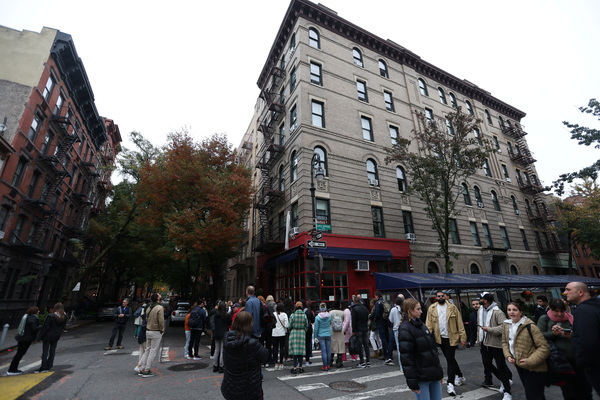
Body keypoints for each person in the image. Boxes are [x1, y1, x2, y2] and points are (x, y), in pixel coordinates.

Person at [537, 298, 592, 400]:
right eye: (556, 311)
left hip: (576, 358)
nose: (559, 314)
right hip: (560, 360)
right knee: (568, 390)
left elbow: (581, 334)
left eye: (562, 311)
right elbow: (539, 336)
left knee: (584, 387)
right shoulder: (545, 319)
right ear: (550, 309)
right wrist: (553, 334)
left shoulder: (571, 318)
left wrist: (571, 336)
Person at [502, 301, 549, 400]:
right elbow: (504, 342)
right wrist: (508, 356)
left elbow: (544, 347)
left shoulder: (530, 326)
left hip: (534, 367)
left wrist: (530, 361)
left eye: (515, 310)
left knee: (532, 395)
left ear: (521, 312)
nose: (511, 312)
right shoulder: (506, 325)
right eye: (509, 310)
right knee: (536, 394)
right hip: (519, 365)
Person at [399, 298, 444, 400]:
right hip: (421, 377)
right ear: (410, 310)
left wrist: (438, 373)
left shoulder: (422, 326)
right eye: (418, 309)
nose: (421, 311)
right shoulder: (405, 329)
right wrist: (412, 382)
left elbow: (432, 352)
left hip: (433, 375)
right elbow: (407, 359)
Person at [426, 290, 467, 396]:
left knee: (450, 360)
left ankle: (450, 384)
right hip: (440, 338)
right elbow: (429, 324)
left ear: (445, 297)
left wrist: (463, 337)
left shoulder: (452, 308)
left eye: (442, 296)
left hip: (452, 337)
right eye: (438, 296)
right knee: (450, 359)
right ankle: (460, 375)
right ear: (436, 297)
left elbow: (459, 323)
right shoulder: (432, 308)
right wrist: (426, 336)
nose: (440, 297)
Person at [221, 311, 269, 400]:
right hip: (248, 389)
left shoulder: (227, 338)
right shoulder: (252, 343)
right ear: (248, 325)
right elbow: (265, 356)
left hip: (230, 386)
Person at [564, 281, 600, 396]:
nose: (565, 293)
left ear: (580, 292)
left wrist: (584, 363)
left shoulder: (583, 311)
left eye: (568, 289)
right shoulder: (594, 306)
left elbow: (587, 341)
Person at [478, 293, 512, 400]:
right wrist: (479, 337)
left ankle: (507, 391)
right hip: (484, 342)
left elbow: (503, 327)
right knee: (487, 364)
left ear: (487, 301)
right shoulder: (481, 310)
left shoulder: (498, 312)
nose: (480, 300)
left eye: (482, 299)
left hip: (496, 344)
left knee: (501, 366)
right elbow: (479, 324)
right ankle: (503, 379)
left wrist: (489, 329)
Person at [7, 306, 41, 375]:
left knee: (19, 353)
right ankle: (12, 370)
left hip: (22, 338)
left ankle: (13, 369)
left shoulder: (27, 317)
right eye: (38, 311)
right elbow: (34, 329)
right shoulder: (33, 318)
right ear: (35, 312)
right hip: (26, 339)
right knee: (20, 354)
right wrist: (40, 326)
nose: (39, 312)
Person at [138, 293, 165, 378]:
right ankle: (146, 370)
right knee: (152, 351)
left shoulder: (149, 307)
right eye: (159, 296)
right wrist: (162, 329)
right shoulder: (159, 308)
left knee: (147, 350)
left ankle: (142, 368)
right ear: (157, 299)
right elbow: (161, 320)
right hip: (156, 331)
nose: (161, 297)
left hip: (148, 330)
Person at [36, 302, 67, 373]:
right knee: (52, 351)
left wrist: (39, 336)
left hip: (48, 336)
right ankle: (49, 366)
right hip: (56, 336)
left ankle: (43, 367)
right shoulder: (64, 316)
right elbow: (63, 326)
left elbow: (45, 328)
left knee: (45, 351)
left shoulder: (51, 316)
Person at [350, 294, 371, 368]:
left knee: (360, 345)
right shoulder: (365, 308)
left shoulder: (354, 309)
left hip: (358, 329)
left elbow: (354, 321)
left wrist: (353, 330)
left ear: (354, 302)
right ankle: (368, 361)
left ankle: (362, 361)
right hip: (365, 328)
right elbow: (367, 318)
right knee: (366, 345)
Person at [288, 301, 308, 374]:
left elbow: (289, 326)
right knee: (301, 351)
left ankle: (294, 367)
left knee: (295, 351)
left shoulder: (293, 315)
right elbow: (306, 325)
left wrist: (291, 330)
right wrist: (304, 330)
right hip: (302, 332)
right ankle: (301, 367)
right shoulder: (304, 315)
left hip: (294, 332)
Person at [212, 300, 232, 373]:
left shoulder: (216, 315)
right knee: (222, 350)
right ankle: (221, 366)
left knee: (217, 349)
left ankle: (215, 366)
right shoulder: (226, 315)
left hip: (217, 333)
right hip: (224, 333)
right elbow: (230, 322)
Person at [314, 302, 332, 371]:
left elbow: (316, 328)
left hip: (321, 334)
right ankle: (328, 364)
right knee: (329, 350)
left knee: (323, 351)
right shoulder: (329, 316)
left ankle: (325, 366)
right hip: (328, 333)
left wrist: (315, 336)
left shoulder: (317, 317)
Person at [374, 291, 391, 363]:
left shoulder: (378, 303)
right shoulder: (384, 302)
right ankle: (390, 353)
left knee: (382, 338)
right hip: (385, 321)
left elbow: (377, 313)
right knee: (387, 338)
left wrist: (375, 320)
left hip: (380, 322)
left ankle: (384, 354)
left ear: (377, 296)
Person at [388, 296, 404, 371]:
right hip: (403, 329)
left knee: (399, 348)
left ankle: (402, 367)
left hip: (396, 329)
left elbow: (391, 320)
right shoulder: (404, 309)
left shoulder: (393, 310)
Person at [272, 302, 289, 370]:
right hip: (282, 333)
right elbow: (286, 325)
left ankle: (276, 363)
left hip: (274, 333)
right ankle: (281, 363)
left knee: (275, 348)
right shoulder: (284, 314)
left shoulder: (274, 314)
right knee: (282, 348)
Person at [330, 301, 345, 368]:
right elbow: (343, 320)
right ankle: (339, 362)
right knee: (340, 346)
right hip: (340, 331)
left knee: (332, 346)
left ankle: (330, 361)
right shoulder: (342, 313)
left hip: (332, 331)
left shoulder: (330, 313)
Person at [133, 302, 148, 373]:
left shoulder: (144, 316)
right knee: (146, 351)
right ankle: (139, 366)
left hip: (141, 336)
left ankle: (141, 366)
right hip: (144, 336)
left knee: (142, 351)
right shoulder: (146, 318)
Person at [304, 300, 315, 366]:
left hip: (302, 328)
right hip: (308, 328)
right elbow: (313, 320)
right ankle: (307, 360)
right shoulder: (309, 312)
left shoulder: (302, 311)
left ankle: (299, 359)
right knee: (308, 344)